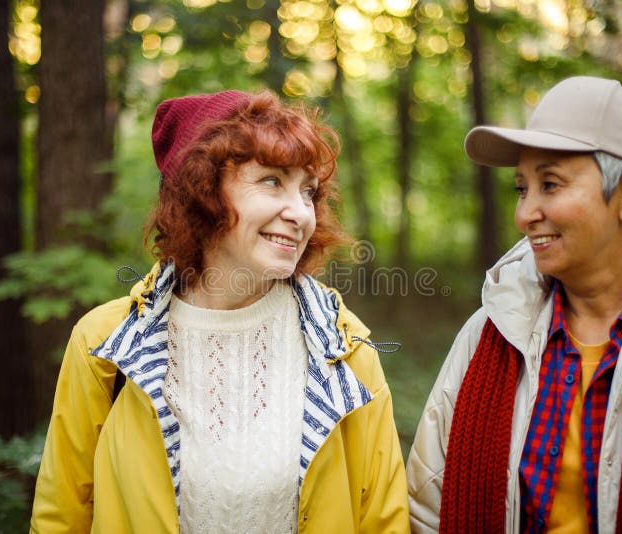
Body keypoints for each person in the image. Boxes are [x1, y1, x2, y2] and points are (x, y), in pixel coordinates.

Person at [30, 89, 410, 533]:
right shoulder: (105, 345)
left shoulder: (344, 347)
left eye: (308, 191)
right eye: (272, 181)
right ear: (200, 192)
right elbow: (61, 516)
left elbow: (383, 521)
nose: (300, 213)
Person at [406, 76, 622, 533]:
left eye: (551, 184)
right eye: (523, 188)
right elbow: (426, 508)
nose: (525, 215)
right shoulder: (489, 334)